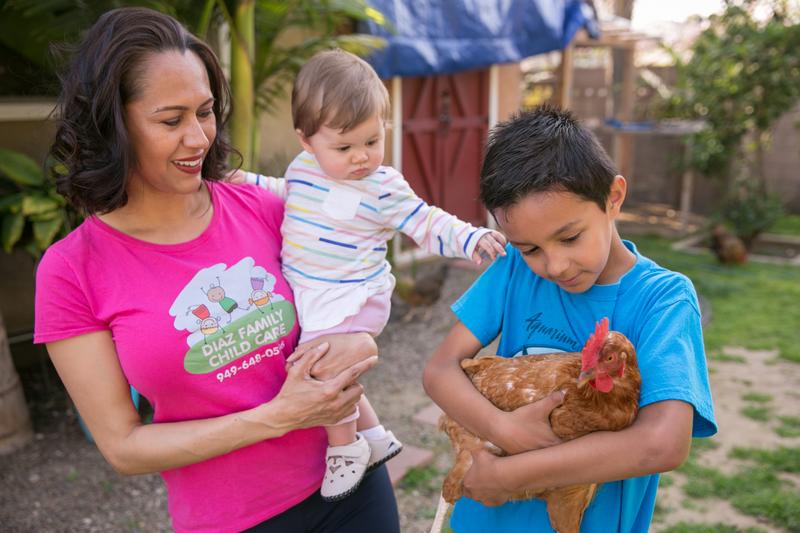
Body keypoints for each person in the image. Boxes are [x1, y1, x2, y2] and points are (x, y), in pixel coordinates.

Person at [34, 8, 400, 533]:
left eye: (205, 112)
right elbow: (124, 447)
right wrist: (276, 417)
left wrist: (363, 339)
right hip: (231, 522)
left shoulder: (267, 207)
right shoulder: (72, 271)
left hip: (353, 491)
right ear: (113, 123)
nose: (198, 138)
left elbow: (355, 288)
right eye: (170, 119)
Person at [422, 106, 717, 533]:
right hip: (485, 520)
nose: (555, 266)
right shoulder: (512, 270)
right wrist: (505, 430)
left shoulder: (662, 299)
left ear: (613, 198)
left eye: (570, 237)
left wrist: (509, 474)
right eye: (530, 248)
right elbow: (439, 370)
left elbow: (663, 443)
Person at [242, 49, 507, 501]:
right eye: (344, 148)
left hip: (354, 293)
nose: (361, 157)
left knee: (321, 366)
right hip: (314, 292)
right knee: (330, 364)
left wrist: (468, 238)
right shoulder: (304, 169)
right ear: (306, 141)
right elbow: (286, 193)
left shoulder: (383, 187)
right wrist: (243, 181)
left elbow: (426, 221)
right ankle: (377, 435)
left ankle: (346, 449)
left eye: (372, 140)